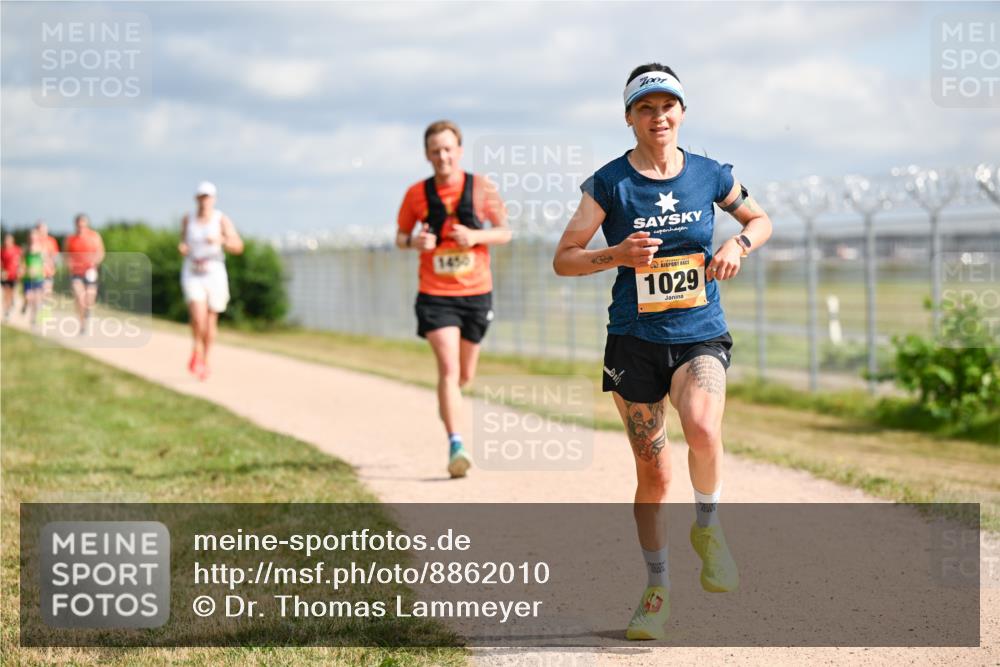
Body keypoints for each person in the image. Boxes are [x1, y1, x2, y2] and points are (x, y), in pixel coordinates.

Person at [553, 64, 772, 640]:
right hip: (634, 341)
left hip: (700, 331)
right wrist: (618, 254)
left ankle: (709, 526)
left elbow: (761, 217)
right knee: (654, 472)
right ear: (630, 118)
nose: (659, 116)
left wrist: (739, 244)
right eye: (646, 108)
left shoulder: (709, 174)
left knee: (702, 428)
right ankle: (657, 588)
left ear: (682, 112)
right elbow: (566, 257)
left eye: (668, 105)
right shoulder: (608, 185)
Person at [396, 120, 511, 478]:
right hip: (435, 294)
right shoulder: (416, 194)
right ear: (427, 155)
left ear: (459, 151)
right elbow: (400, 236)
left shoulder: (482, 188)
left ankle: (450, 405)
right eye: (435, 151)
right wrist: (414, 241)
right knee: (447, 369)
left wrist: (475, 236)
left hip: (476, 293)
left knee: (463, 375)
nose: (442, 156)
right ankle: (456, 444)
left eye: (448, 149)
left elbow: (505, 232)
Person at [179, 181, 243, 380]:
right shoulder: (188, 219)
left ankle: (206, 360)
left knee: (210, 319)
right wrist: (182, 248)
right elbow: (182, 242)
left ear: (213, 199)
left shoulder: (221, 219)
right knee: (198, 317)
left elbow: (238, 246)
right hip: (193, 270)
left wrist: (222, 240)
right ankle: (196, 348)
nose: (205, 200)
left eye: (208, 197)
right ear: (197, 198)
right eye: (202, 196)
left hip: (214, 271)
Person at [64, 214, 105, 334]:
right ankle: (82, 325)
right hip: (76, 273)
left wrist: (94, 262)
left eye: (83, 225)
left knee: (89, 299)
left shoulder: (94, 236)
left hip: (90, 271)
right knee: (79, 297)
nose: (81, 227)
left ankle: (88, 312)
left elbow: (101, 253)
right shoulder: (70, 239)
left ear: (87, 224)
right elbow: (66, 255)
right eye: (79, 225)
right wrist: (69, 264)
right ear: (75, 225)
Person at [21, 229, 48, 328]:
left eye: (34, 237)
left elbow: (46, 262)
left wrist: (45, 270)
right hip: (28, 278)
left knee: (36, 300)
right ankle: (25, 305)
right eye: (31, 237)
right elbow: (22, 263)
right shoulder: (26, 249)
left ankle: (33, 319)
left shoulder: (41, 249)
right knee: (28, 297)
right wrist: (24, 269)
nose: (33, 239)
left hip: (38, 278)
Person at [1, 233, 22, 322]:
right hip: (5, 275)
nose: (7, 242)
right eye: (6, 240)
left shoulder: (17, 250)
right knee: (6, 293)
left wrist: (20, 270)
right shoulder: (2, 251)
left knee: (12, 293)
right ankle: (7, 312)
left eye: (8, 240)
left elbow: (20, 261)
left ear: (12, 241)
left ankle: (11, 303)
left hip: (14, 276)